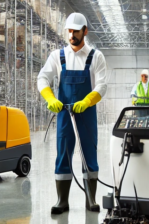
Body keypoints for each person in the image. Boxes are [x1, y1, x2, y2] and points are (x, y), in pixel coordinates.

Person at [37, 13, 108, 214]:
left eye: (76, 31)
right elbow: (42, 78)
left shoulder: (96, 56)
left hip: (87, 114)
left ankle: (91, 200)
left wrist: (87, 101)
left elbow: (102, 85)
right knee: (63, 155)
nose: (72, 35)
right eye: (69, 31)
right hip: (64, 113)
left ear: (85, 31)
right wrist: (50, 98)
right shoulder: (57, 56)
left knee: (89, 154)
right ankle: (62, 201)